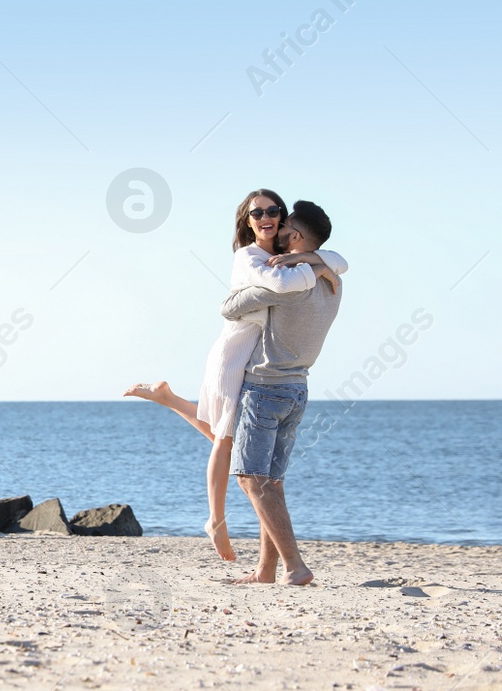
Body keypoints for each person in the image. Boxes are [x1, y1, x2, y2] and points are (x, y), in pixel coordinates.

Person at [124, 190, 347, 561]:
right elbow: (254, 297)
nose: (268, 218)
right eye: (258, 213)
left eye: (276, 212)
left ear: (289, 228)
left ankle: (169, 399)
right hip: (236, 354)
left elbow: (336, 260)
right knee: (227, 440)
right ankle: (216, 520)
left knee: (229, 438)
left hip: (259, 361)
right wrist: (316, 266)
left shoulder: (291, 261)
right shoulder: (253, 257)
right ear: (246, 220)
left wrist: (313, 260)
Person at [220, 200, 343, 585]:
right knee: (271, 483)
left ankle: (295, 566)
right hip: (298, 388)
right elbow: (336, 260)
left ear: (299, 237)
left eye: (286, 225)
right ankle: (266, 570)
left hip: (265, 387)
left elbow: (230, 307)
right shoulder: (331, 280)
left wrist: (279, 268)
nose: (278, 227)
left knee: (250, 479)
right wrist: (318, 262)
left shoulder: (287, 283)